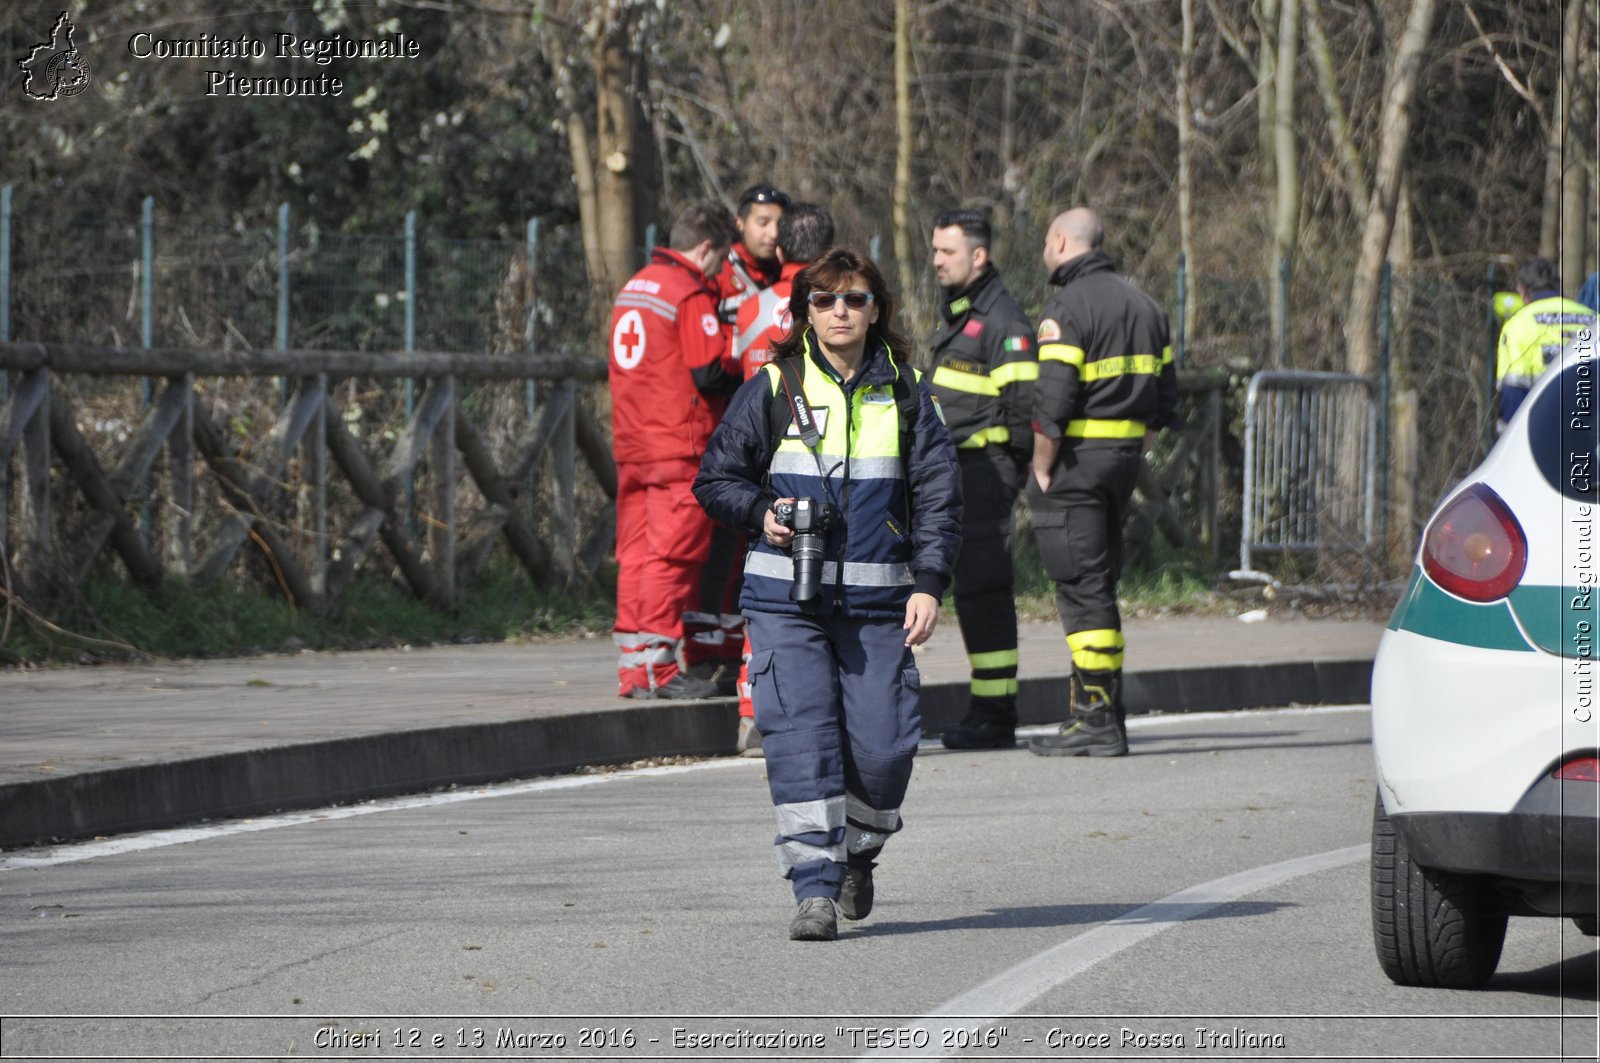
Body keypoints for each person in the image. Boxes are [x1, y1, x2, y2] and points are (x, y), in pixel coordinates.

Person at [693, 246, 961, 941]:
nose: (839, 310)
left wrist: (929, 582)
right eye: (824, 299)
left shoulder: (907, 392)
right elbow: (715, 480)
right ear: (805, 311)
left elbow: (939, 495)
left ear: (878, 310)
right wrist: (764, 515)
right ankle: (812, 889)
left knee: (885, 748)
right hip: (787, 602)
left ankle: (859, 855)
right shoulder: (772, 388)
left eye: (855, 298)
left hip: (879, 605)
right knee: (800, 738)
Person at [1026, 207, 1176, 758]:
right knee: (1099, 583)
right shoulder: (1147, 305)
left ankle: (1095, 717)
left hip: (1074, 464)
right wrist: (1132, 450)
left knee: (1081, 587)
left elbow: (1053, 400)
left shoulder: (1067, 308)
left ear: (1062, 242)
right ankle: (1102, 715)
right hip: (1122, 463)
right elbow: (1166, 402)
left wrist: (1042, 464)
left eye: (1047, 242)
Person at [718, 202, 838, 757]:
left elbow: (726, 370)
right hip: (824, 463)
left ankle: (752, 711)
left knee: (762, 590)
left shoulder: (751, 309)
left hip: (759, 459)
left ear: (783, 250)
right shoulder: (840, 308)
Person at [609, 200, 741, 700]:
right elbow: (708, 371)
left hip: (633, 443)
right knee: (673, 557)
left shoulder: (635, 286)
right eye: (720, 257)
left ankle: (634, 668)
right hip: (677, 446)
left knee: (637, 555)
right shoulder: (687, 293)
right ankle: (663, 668)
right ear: (707, 248)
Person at [925, 209, 1038, 750]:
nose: (936, 260)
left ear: (979, 256)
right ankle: (989, 708)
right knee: (971, 593)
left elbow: (1023, 415)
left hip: (986, 473)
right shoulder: (963, 315)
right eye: (935, 250)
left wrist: (1006, 479)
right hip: (961, 470)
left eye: (947, 251)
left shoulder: (1004, 321)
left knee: (984, 593)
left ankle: (995, 712)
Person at [684, 184, 794, 695]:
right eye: (762, 222)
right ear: (740, 224)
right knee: (715, 543)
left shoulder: (786, 277)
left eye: (779, 224)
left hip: (768, 424)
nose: (771, 233)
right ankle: (706, 652)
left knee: (750, 545)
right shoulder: (721, 274)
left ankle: (735, 649)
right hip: (722, 422)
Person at [1496, 257, 1596, 427]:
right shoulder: (1594, 319)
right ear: (1559, 285)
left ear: (1521, 290)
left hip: (1544, 434)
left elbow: (1513, 393)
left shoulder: (1518, 324)